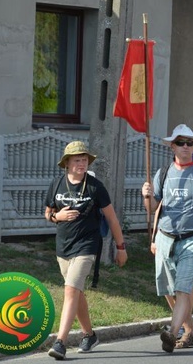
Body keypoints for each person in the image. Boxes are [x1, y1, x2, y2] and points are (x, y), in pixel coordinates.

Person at [142, 124, 193, 353]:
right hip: (165, 238)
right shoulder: (163, 173)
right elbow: (153, 208)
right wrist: (146, 196)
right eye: (181, 143)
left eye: (190, 143)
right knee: (170, 289)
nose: (186, 147)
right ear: (173, 146)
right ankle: (189, 331)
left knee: (183, 287)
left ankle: (172, 332)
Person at [45, 141, 128, 360]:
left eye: (84, 160)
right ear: (67, 163)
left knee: (71, 290)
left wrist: (121, 247)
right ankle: (89, 335)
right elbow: (47, 212)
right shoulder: (56, 184)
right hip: (63, 246)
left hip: (87, 245)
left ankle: (60, 342)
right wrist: (57, 217)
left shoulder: (95, 187)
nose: (81, 164)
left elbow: (111, 218)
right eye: (77, 160)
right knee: (77, 291)